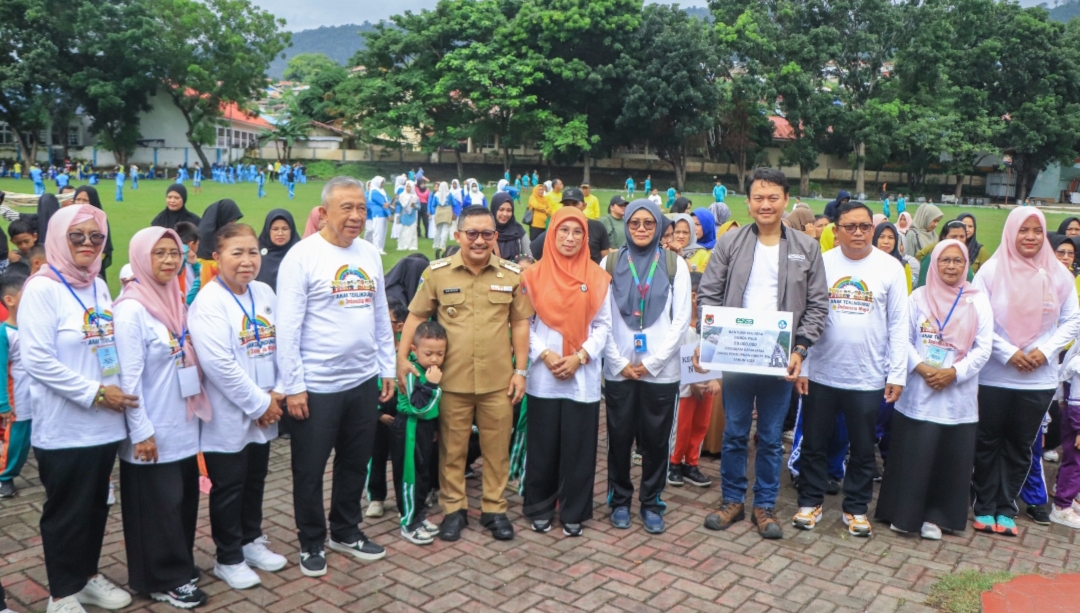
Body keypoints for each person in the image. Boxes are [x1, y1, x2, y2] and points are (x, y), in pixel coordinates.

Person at [697, 168, 828, 540]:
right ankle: (732, 500)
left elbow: (818, 305)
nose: (765, 204)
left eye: (773, 197)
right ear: (748, 202)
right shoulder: (730, 243)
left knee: (770, 437)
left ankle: (765, 505)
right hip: (736, 352)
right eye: (758, 197)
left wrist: (800, 348)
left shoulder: (806, 248)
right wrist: (710, 338)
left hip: (778, 356)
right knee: (735, 432)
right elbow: (709, 293)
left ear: (786, 200)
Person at [20, 205, 139, 613]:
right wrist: (97, 393)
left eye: (96, 236)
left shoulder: (97, 284)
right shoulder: (42, 288)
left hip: (104, 424)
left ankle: (86, 577)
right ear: (58, 237)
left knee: (96, 505)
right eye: (77, 236)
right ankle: (61, 594)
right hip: (65, 425)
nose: (88, 243)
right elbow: (37, 360)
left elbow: (105, 344)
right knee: (67, 511)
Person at [276, 177, 394, 574]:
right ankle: (311, 540)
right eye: (347, 208)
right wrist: (294, 385)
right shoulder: (302, 256)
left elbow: (380, 315)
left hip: (362, 379)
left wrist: (386, 366)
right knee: (310, 469)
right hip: (317, 385)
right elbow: (287, 327)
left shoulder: (369, 253)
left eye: (362, 208)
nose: (357, 216)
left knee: (355, 461)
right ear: (324, 213)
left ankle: (345, 530)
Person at [399, 205, 533, 542]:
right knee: (452, 450)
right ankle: (454, 510)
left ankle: (494, 509)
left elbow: (520, 323)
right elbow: (416, 316)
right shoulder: (437, 273)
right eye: (471, 233)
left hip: (498, 381)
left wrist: (521, 371)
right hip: (451, 381)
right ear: (458, 235)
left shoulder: (510, 274)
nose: (479, 240)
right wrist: (401, 358)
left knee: (497, 450)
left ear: (495, 237)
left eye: (486, 234)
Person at [793, 201, 908, 538]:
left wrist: (896, 374)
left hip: (867, 376)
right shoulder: (822, 263)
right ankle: (810, 501)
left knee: (862, 447)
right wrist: (804, 366)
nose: (858, 233)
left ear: (873, 229)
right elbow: (806, 317)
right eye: (850, 226)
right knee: (814, 443)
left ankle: (856, 508)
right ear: (836, 230)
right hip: (821, 372)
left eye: (864, 226)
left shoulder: (890, 268)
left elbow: (899, 325)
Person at [112, 227, 209, 608]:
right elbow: (129, 379)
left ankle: (178, 564)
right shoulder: (131, 309)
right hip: (152, 428)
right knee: (156, 507)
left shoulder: (173, 296)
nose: (170, 260)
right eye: (160, 253)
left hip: (181, 423)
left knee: (180, 502)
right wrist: (141, 432)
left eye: (175, 253)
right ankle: (161, 578)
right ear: (141, 258)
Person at [188, 222, 288, 590]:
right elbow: (219, 365)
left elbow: (283, 343)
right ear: (217, 257)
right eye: (237, 253)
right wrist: (260, 404)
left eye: (252, 252)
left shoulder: (263, 291)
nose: (247, 261)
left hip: (266, 407)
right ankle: (228, 557)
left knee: (255, 479)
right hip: (229, 412)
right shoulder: (208, 302)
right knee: (228, 486)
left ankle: (250, 540)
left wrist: (278, 392)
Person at [970, 208, 1080, 536]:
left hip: (1038, 378)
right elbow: (976, 319)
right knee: (988, 441)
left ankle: (1006, 508)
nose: (1030, 237)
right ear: (1011, 232)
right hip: (994, 375)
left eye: (1037, 230)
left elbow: (1072, 320)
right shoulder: (990, 271)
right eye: (1023, 230)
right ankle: (984, 506)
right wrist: (1009, 353)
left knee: (1020, 445)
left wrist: (1044, 352)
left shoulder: (1058, 275)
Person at [875, 239, 993, 539]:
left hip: (957, 393)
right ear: (934, 263)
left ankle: (936, 518)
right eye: (945, 260)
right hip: (919, 389)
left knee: (947, 459)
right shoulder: (917, 297)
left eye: (957, 261)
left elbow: (983, 348)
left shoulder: (978, 300)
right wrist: (922, 368)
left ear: (966, 265)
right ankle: (903, 515)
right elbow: (901, 338)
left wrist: (954, 373)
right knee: (914, 455)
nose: (951, 266)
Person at [601, 200, 691, 534]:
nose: (641, 229)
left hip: (661, 372)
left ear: (658, 227)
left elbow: (681, 320)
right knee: (619, 439)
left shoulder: (674, 265)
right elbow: (601, 318)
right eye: (634, 223)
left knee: (656, 441)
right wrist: (618, 361)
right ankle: (620, 501)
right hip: (619, 369)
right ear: (625, 225)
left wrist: (653, 363)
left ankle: (651, 503)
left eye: (648, 223)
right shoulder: (609, 263)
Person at [522, 207, 612, 536]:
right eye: (563, 230)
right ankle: (540, 507)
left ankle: (574, 511)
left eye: (577, 232)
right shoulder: (532, 276)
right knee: (542, 446)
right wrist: (544, 354)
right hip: (543, 375)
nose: (570, 238)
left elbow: (603, 326)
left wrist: (580, 356)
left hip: (581, 375)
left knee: (579, 447)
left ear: (586, 238)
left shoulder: (597, 277)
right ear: (552, 233)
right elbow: (523, 324)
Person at [391, 321, 446, 544]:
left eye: (440, 354)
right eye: (428, 353)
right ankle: (408, 523)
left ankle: (419, 515)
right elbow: (417, 407)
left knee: (423, 475)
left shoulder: (431, 371)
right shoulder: (411, 371)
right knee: (410, 477)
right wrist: (431, 385)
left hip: (424, 429)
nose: (434, 359)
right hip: (410, 427)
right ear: (414, 350)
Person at [667, 272, 718, 489]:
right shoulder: (680, 325)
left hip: (706, 385)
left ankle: (692, 463)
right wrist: (691, 382)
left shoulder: (711, 326)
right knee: (682, 425)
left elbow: (717, 352)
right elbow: (676, 357)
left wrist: (713, 378)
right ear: (695, 296)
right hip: (684, 387)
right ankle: (674, 463)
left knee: (701, 424)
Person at [0, 270, 29, 499]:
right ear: (10, 300)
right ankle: (6, 476)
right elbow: (0, 369)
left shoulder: (37, 326)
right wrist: (3, 403)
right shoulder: (4, 333)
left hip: (45, 393)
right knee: (18, 438)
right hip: (19, 396)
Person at [530, 188, 611, 264]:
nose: (571, 208)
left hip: (591, 272)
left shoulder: (597, 227)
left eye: (575, 204)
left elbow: (605, 259)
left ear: (584, 205)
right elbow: (532, 253)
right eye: (567, 204)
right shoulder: (556, 228)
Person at [196, 199, 243, 287]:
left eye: (234, 222)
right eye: (231, 221)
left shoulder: (224, 233)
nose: (233, 225)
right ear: (222, 218)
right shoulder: (207, 237)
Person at [255, 209, 299, 292]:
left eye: (285, 229)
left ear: (291, 230)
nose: (280, 233)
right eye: (275, 229)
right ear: (268, 230)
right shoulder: (256, 254)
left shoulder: (300, 253)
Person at [493, 192, 528, 261]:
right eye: (501, 209)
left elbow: (529, 257)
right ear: (494, 209)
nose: (505, 214)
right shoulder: (486, 231)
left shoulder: (518, 230)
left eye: (509, 210)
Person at [365, 176, 391, 255]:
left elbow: (388, 200)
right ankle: (377, 248)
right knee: (378, 231)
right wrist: (389, 213)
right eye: (381, 182)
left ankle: (381, 247)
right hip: (378, 213)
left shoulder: (382, 191)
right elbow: (383, 204)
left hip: (384, 213)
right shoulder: (374, 192)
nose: (383, 184)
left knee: (383, 232)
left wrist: (388, 203)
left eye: (383, 182)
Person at [431, 182, 457, 257]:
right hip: (447, 211)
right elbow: (454, 203)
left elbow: (433, 204)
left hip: (439, 211)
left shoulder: (436, 194)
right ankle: (442, 245)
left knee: (438, 229)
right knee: (445, 230)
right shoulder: (449, 194)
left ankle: (435, 244)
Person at [396, 181, 420, 252]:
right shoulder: (402, 195)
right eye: (407, 186)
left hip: (412, 216)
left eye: (409, 187)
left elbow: (419, 207)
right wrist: (398, 199)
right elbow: (398, 203)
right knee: (403, 232)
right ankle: (402, 245)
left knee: (412, 232)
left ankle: (411, 246)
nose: (408, 188)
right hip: (404, 216)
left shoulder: (415, 197)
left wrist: (415, 206)